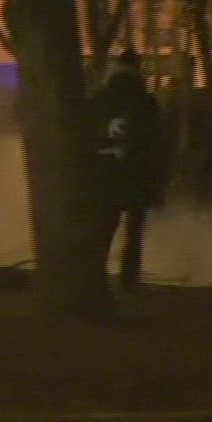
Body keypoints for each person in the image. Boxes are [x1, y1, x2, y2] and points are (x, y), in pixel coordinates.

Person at [89, 50, 164, 295]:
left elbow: (85, 135)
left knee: (103, 228)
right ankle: (129, 281)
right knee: (134, 232)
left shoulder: (99, 99)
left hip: (104, 173)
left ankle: (95, 276)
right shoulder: (146, 102)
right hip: (136, 174)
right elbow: (157, 144)